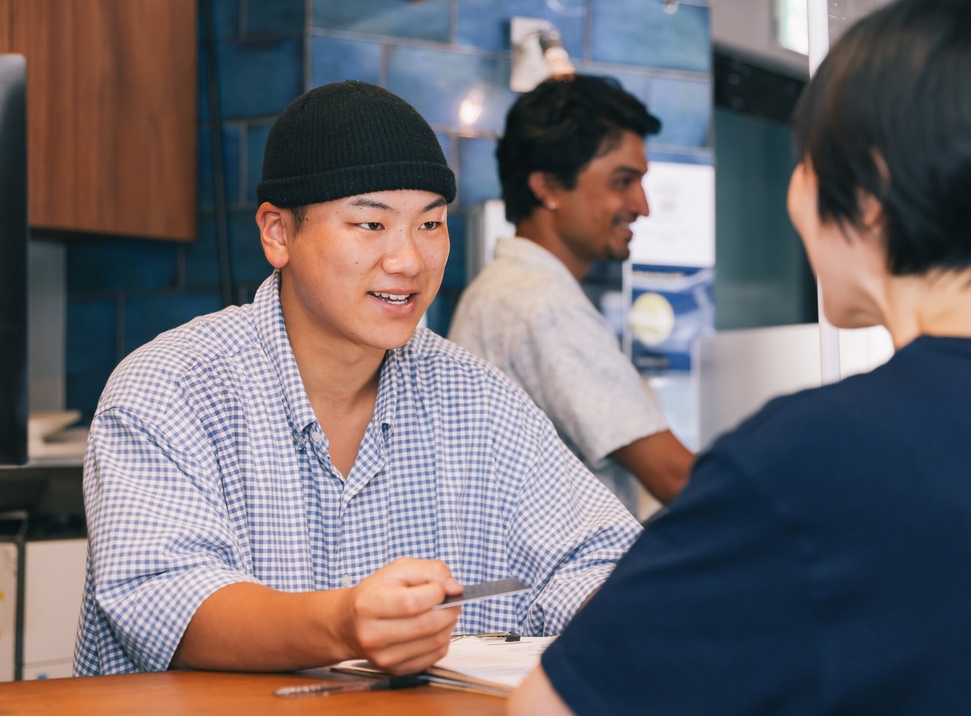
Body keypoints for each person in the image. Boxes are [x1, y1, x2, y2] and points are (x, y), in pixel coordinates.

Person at [511, 0, 971, 714]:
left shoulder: (811, 454)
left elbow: (548, 708)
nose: (794, 193)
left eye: (806, 162)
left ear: (868, 193)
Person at [73, 81, 641, 678]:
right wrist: (345, 625)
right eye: (371, 224)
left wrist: (631, 601)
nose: (408, 260)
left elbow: (598, 558)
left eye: (430, 225)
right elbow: (165, 599)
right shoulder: (170, 388)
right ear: (278, 233)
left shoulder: (478, 399)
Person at [448, 74, 696, 514]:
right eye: (623, 181)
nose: (643, 205)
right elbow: (674, 476)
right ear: (548, 187)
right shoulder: (542, 303)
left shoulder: (505, 291)